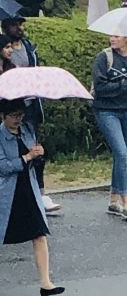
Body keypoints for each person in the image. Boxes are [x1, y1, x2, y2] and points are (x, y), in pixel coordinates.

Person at [0, 99, 64, 294]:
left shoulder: (27, 130)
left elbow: (37, 161)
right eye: (13, 116)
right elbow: (3, 167)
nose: (18, 120)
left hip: (29, 189)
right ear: (3, 116)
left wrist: (39, 154)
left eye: (20, 115)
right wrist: (26, 157)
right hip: (7, 194)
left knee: (39, 234)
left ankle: (46, 282)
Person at [0, 16, 60, 217]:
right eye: (16, 25)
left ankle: (39, 194)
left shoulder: (27, 47)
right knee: (8, 157)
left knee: (35, 151)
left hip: (28, 106)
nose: (20, 28)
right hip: (7, 112)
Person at [91, 34, 127, 222]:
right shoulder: (103, 58)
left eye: (116, 35)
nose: (112, 38)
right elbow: (100, 88)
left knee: (120, 155)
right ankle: (126, 201)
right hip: (107, 111)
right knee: (122, 153)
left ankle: (113, 199)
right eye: (111, 35)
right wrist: (124, 84)